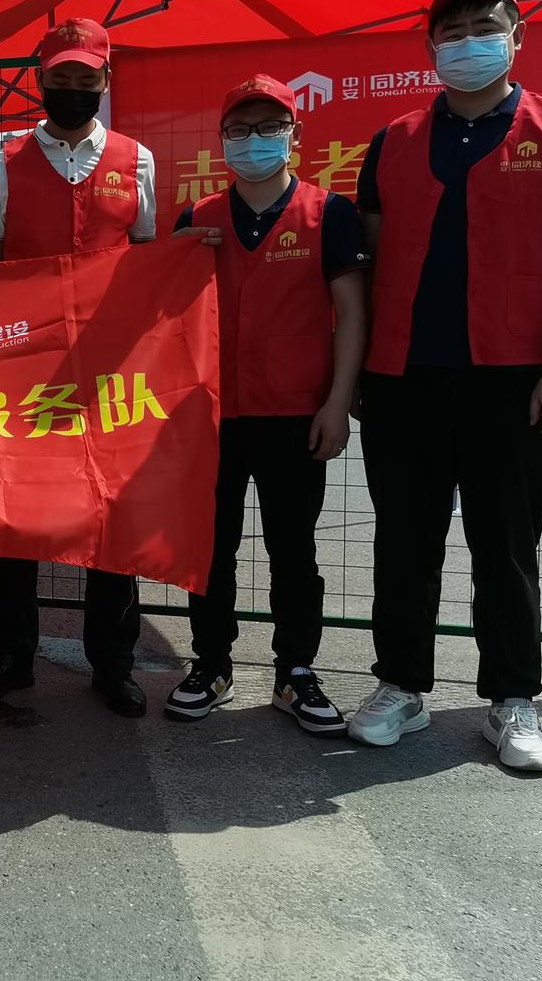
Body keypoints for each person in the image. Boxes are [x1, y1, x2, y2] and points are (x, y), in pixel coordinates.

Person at [347, 0, 542, 773]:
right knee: (405, 542)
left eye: (485, 27)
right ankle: (401, 685)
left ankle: (512, 700)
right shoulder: (394, 140)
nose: (468, 43)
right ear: (430, 46)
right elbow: (367, 265)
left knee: (505, 548)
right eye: (453, 31)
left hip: (514, 377)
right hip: (403, 376)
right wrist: (357, 371)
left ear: (517, 37)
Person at [0, 16, 158, 716]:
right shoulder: (2, 162)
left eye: (85, 76)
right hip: (24, 367)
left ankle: (114, 661)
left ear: (105, 80)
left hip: (110, 372)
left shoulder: (136, 160)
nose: (73, 86)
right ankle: (10, 657)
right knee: (15, 520)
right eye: (60, 76)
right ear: (41, 80)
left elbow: (147, 260)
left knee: (111, 516)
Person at [164, 75, 369, 733]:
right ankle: (211, 664)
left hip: (295, 414)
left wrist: (337, 402)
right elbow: (164, 317)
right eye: (240, 130)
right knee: (210, 548)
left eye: (268, 128)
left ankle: (296, 671)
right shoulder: (196, 220)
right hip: (210, 416)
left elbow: (351, 312)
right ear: (222, 140)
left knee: (293, 549)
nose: (253, 141)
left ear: (294, 135)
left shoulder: (328, 213)